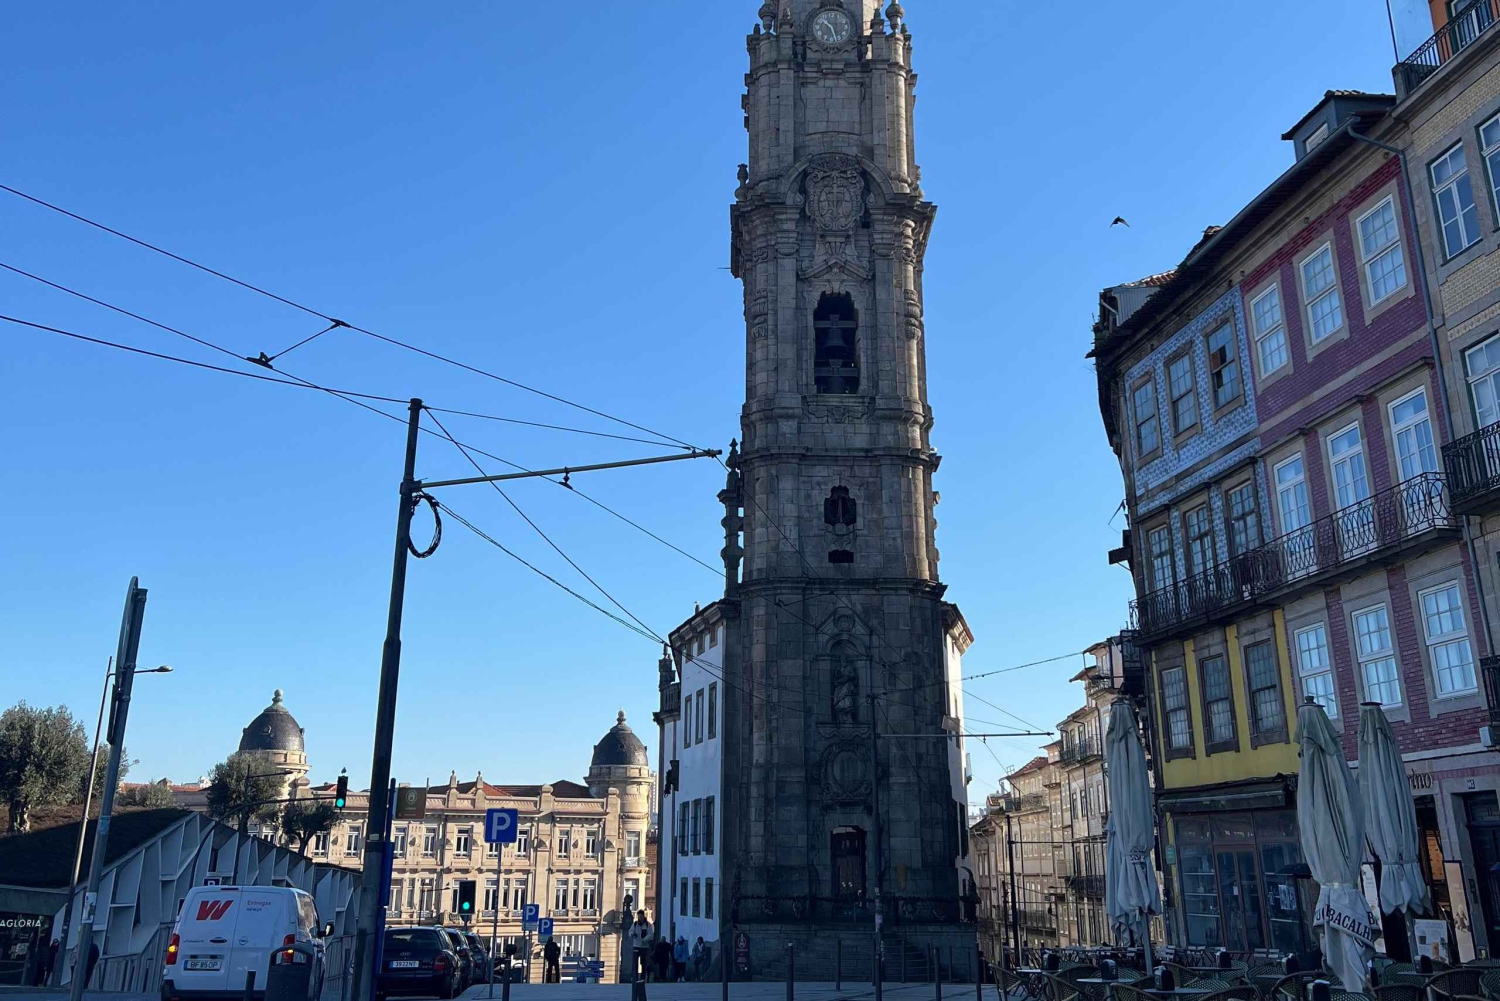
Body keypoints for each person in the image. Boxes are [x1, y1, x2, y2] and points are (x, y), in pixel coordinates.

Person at [628, 911, 651, 983]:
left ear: (643, 916)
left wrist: (644, 940)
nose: (639, 918)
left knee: (643, 963)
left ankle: (643, 978)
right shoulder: (635, 924)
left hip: (644, 946)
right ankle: (634, 977)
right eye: (638, 917)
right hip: (636, 946)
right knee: (634, 963)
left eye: (641, 916)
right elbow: (630, 931)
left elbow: (650, 934)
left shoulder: (648, 925)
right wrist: (632, 934)